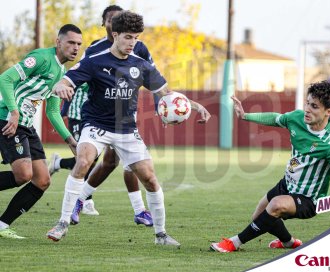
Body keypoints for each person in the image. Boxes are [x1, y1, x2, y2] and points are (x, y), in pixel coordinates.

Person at [46, 11, 211, 246]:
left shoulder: (141, 65)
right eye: (127, 37)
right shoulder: (95, 61)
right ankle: (62, 223)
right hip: (95, 125)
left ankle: (161, 235)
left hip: (126, 130)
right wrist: (61, 87)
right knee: (83, 162)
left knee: (151, 180)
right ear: (115, 35)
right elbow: (65, 81)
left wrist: (194, 106)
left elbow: (166, 93)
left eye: (135, 38)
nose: (132, 43)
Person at [210, 81, 330, 253]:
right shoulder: (297, 118)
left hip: (309, 199)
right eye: (307, 103)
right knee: (258, 216)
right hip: (287, 184)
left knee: (275, 205)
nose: (307, 109)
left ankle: (234, 243)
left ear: (329, 112)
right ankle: (289, 242)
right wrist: (245, 115)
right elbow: (275, 118)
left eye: (314, 106)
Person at [48, 5, 155, 226]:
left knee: (114, 162)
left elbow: (153, 77)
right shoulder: (95, 49)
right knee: (95, 159)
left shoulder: (139, 47)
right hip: (97, 114)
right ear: (106, 24)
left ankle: (83, 198)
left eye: (119, 18)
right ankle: (138, 209)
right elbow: (77, 74)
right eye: (110, 19)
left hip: (125, 114)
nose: (114, 22)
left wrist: (160, 105)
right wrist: (66, 107)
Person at [0, 24, 82, 239]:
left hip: (26, 126)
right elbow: (5, 79)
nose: (75, 48)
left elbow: (53, 112)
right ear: (58, 42)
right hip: (7, 119)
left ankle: (1, 224)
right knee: (23, 175)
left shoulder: (61, 73)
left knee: (42, 180)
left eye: (78, 44)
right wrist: (14, 112)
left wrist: (70, 141)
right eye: (71, 42)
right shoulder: (41, 58)